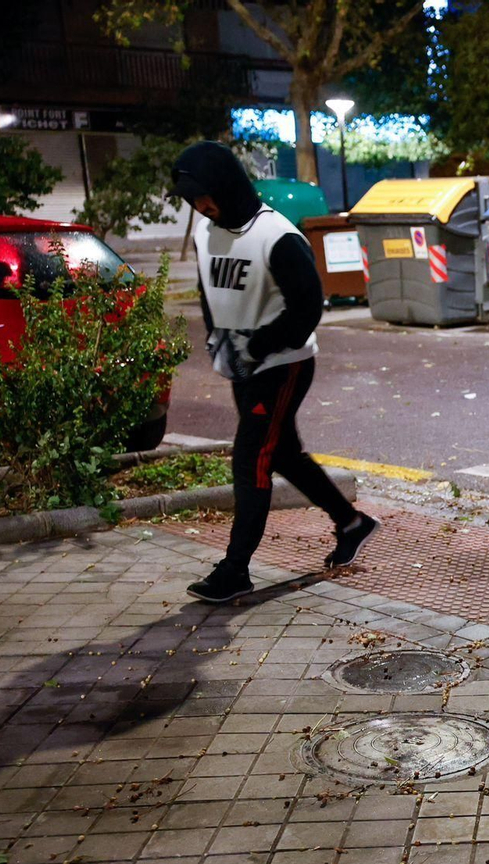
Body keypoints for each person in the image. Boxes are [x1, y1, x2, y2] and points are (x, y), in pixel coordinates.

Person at [171, 141, 379, 603]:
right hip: (243, 364)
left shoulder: (276, 236)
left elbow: (307, 309)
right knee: (282, 453)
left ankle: (235, 570)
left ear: (227, 186)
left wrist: (260, 344)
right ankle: (351, 523)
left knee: (252, 459)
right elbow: (210, 291)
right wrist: (217, 338)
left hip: (283, 366)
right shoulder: (207, 233)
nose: (200, 207)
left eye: (204, 196)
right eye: (192, 201)